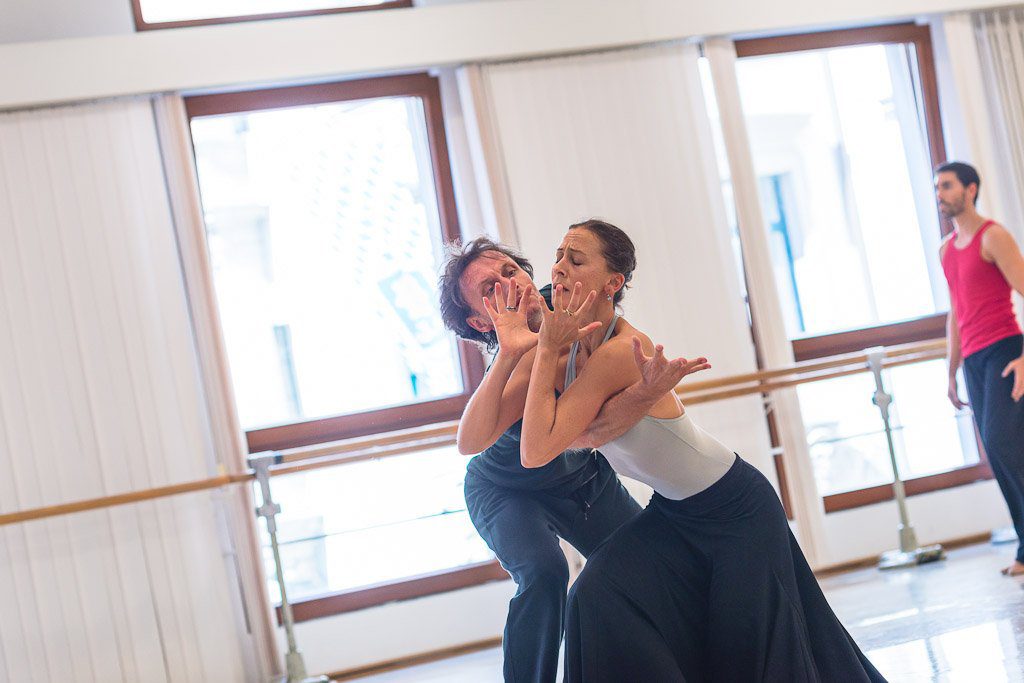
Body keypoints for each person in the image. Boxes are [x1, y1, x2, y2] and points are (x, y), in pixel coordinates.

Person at [514, 219, 885, 682]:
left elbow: (541, 449)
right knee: (596, 593)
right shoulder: (571, 350)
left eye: (576, 259)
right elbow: (546, 441)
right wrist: (544, 347)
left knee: (751, 656)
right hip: (675, 513)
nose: (559, 268)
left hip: (736, 509)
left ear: (613, 283)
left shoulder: (621, 351)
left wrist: (547, 350)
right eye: (558, 256)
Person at [437, 237, 708, 683]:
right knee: (545, 572)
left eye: (510, 270)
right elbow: (470, 441)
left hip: (580, 479)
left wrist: (647, 385)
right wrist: (509, 351)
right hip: (505, 492)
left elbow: (619, 336)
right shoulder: (515, 363)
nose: (510, 284)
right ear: (478, 319)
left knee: (649, 560)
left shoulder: (566, 303)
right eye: (490, 289)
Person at [937, 161, 1024, 577]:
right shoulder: (945, 250)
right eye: (937, 186)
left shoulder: (994, 237)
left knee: (1005, 444)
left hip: (1006, 351)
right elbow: (956, 313)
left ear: (970, 189)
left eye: (947, 185)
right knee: (997, 452)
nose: (940, 193)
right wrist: (951, 371)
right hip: (973, 360)